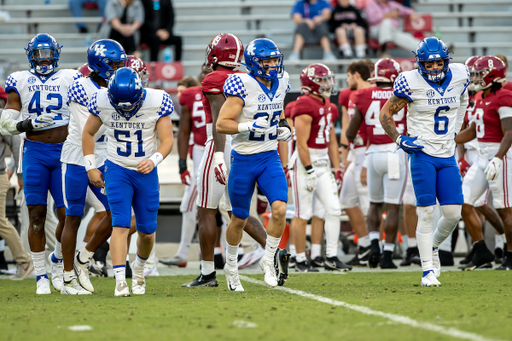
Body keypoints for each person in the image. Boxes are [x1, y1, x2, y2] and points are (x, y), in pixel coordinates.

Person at [379, 37, 470, 287]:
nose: (434, 68)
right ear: (420, 64)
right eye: (428, 65)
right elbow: (385, 114)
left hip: (447, 153)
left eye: (438, 63)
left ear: (446, 60)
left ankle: (432, 248)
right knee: (426, 212)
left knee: (453, 214)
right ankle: (427, 271)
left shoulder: (461, 74)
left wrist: (455, 130)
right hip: (422, 153)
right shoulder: (410, 82)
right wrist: (399, 138)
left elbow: (463, 101)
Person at [2, 33, 83, 294]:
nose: (44, 59)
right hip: (35, 151)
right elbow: (5, 123)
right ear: (31, 56)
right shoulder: (20, 80)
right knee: (36, 216)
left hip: (65, 151)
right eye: (39, 54)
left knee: (67, 214)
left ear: (56, 54)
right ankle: (41, 277)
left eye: (48, 54)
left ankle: (58, 262)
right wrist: (27, 124)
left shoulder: (71, 77)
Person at [83, 67, 174, 296]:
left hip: (145, 171)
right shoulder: (102, 99)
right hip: (117, 168)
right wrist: (90, 166)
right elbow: (88, 133)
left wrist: (154, 160)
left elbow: (167, 140)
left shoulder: (156, 100)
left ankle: (140, 267)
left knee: (147, 231)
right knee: (120, 224)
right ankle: (120, 281)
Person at [217, 38, 292, 290]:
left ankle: (268, 260)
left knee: (280, 209)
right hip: (244, 157)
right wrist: (247, 126)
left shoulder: (282, 81)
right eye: (266, 61)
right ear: (253, 63)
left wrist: (285, 127)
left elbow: (279, 110)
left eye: (274, 59)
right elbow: (221, 123)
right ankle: (231, 266)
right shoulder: (243, 84)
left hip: (269, 155)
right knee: (239, 217)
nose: (273, 65)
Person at [60, 39, 128, 295]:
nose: (119, 67)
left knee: (118, 214)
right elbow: (91, 129)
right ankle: (67, 279)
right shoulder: (80, 87)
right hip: (78, 157)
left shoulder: (118, 84)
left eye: (121, 63)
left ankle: (83, 259)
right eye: (114, 63)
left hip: (106, 155)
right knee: (73, 216)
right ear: (98, 64)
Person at [346, 58, 407, 269]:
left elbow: (350, 132)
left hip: (372, 154)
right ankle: (387, 255)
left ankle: (373, 244)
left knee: (374, 203)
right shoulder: (401, 95)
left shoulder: (362, 94)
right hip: (395, 152)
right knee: (392, 207)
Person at [291, 63, 350, 272]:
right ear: (310, 83)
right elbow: (301, 143)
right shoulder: (304, 105)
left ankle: (330, 257)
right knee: (303, 212)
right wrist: (308, 170)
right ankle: (298, 259)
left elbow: (332, 140)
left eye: (328, 79)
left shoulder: (329, 105)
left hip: (324, 162)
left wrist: (337, 168)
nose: (327, 84)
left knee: (333, 209)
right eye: (322, 80)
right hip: (305, 162)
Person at [455, 56, 512, 271]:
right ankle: (481, 251)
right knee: (464, 201)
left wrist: (498, 157)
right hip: (481, 156)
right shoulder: (479, 96)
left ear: (492, 74)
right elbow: (472, 131)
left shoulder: (505, 96)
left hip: (501, 155)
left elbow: (509, 132)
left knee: (505, 209)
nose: (475, 77)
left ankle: (510, 255)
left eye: (479, 73)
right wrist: (449, 139)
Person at [159, 74, 208, 267]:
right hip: (209, 150)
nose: (179, 96)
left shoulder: (194, 95)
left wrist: (182, 163)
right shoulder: (195, 95)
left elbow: (185, 132)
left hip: (208, 151)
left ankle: (184, 253)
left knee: (190, 205)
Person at [338, 60, 372, 267]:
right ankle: (366, 245)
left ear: (356, 75)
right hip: (355, 154)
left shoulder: (371, 94)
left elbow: (373, 131)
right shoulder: (349, 95)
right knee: (347, 200)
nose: (347, 80)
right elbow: (347, 130)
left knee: (370, 205)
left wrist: (367, 161)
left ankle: (379, 247)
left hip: (368, 153)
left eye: (349, 75)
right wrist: (346, 158)